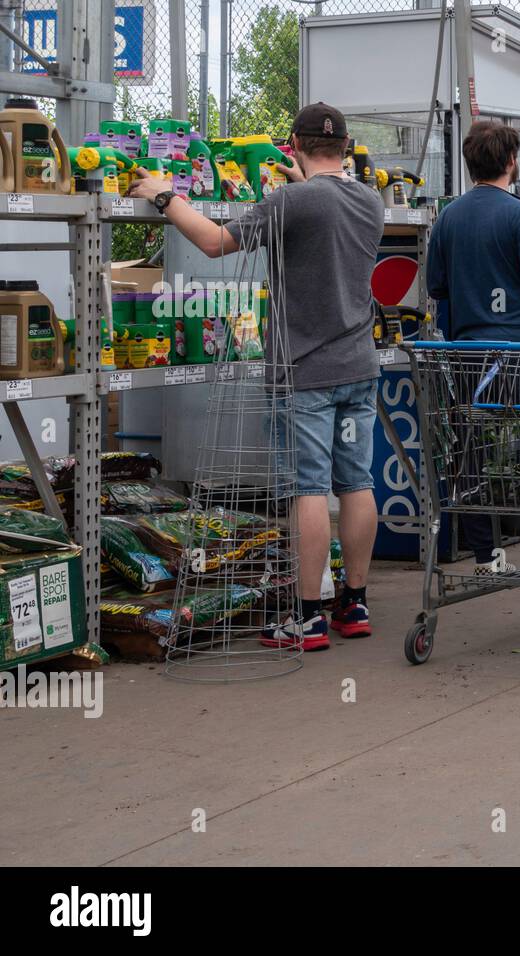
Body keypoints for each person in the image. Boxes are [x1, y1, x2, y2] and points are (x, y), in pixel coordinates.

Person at [127, 102, 385, 651]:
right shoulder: (369, 199)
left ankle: (307, 616)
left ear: (292, 144)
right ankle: (353, 603)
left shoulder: (290, 202)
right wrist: (299, 181)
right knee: (356, 482)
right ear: (345, 146)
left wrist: (164, 195)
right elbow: (326, 204)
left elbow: (215, 242)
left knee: (308, 488)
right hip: (358, 368)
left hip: (305, 372)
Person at [427, 120, 520, 572]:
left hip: (471, 353)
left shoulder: (449, 216)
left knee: (474, 445)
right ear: (512, 162)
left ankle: (485, 553)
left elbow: (436, 285)